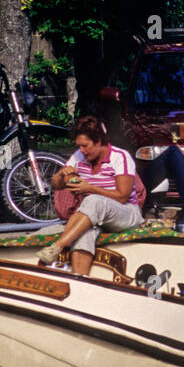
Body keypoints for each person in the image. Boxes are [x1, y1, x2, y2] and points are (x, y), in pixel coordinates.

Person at [38, 116, 144, 273]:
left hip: (126, 213)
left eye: (85, 146)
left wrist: (90, 188)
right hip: (93, 215)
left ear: (99, 141)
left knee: (93, 200)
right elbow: (55, 186)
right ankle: (79, 282)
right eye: (79, 146)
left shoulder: (120, 157)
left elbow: (122, 196)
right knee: (84, 234)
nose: (82, 150)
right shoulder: (79, 156)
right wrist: (61, 174)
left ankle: (60, 245)